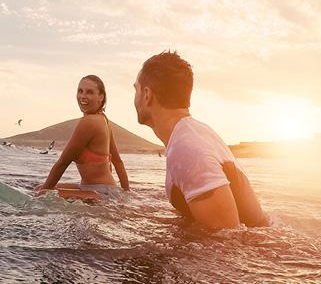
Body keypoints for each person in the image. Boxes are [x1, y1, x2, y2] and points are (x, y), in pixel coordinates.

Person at [134, 51, 268, 229]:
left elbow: (228, 242)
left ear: (146, 94)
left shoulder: (186, 149)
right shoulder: (195, 133)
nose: (134, 98)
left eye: (135, 89)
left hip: (256, 253)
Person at [38, 75, 130, 194]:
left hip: (100, 193)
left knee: (42, 191)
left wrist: (43, 193)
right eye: (80, 91)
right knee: (41, 188)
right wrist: (126, 192)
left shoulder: (89, 122)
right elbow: (118, 162)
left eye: (90, 92)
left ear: (101, 97)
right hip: (105, 190)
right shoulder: (103, 120)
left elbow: (62, 163)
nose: (83, 96)